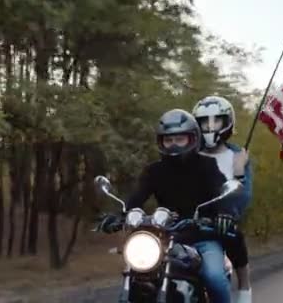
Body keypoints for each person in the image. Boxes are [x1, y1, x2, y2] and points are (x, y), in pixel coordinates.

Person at [98, 108, 236, 303]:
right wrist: (117, 215)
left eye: (180, 139)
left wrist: (225, 214)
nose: (173, 145)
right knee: (138, 273)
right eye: (168, 140)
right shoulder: (154, 171)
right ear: (161, 142)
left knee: (214, 277)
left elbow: (223, 195)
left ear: (192, 139)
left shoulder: (207, 166)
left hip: (202, 237)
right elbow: (135, 198)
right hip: (164, 240)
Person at [192, 96, 253, 303]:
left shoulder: (238, 155)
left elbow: (244, 196)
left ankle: (244, 289)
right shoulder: (191, 154)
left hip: (224, 221)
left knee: (235, 236)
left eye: (215, 121)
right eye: (204, 122)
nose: (209, 127)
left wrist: (238, 170)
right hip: (191, 220)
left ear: (227, 122)